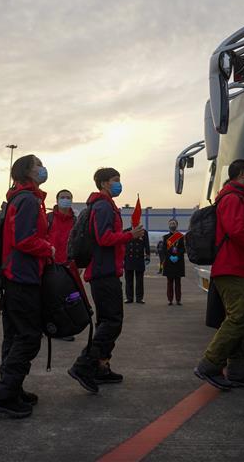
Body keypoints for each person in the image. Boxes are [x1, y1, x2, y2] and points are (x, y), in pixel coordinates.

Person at [0, 154, 54, 419]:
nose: (43, 168)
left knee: (14, 336)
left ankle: (12, 388)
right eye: (39, 165)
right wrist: (48, 248)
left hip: (14, 276)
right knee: (28, 337)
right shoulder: (27, 200)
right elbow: (24, 239)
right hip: (23, 277)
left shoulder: (19, 198)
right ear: (27, 171)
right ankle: (4, 395)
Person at [68, 168, 145, 393]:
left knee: (107, 322)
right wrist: (130, 235)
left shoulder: (104, 205)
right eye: (115, 180)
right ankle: (83, 365)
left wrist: (128, 233)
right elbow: (103, 238)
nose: (118, 184)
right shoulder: (102, 206)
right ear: (103, 183)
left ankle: (101, 367)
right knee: (112, 322)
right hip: (104, 272)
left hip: (104, 270)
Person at [194, 159, 244, 391]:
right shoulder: (233, 198)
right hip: (232, 267)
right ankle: (209, 364)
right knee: (238, 318)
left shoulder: (239, 198)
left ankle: (237, 369)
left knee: (240, 319)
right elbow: (237, 231)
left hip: (237, 266)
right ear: (242, 174)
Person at [47, 188, 80, 340]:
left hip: (68, 266)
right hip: (49, 264)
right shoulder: (48, 218)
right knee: (47, 297)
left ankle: (64, 329)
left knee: (68, 298)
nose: (65, 199)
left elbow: (80, 242)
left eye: (68, 197)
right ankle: (44, 327)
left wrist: (79, 264)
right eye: (62, 197)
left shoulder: (76, 221)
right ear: (57, 200)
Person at [123, 222, 150, 304]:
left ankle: (139, 298)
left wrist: (148, 256)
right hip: (128, 258)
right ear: (131, 221)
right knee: (128, 280)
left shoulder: (143, 232)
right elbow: (122, 245)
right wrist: (121, 257)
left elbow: (147, 244)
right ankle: (129, 298)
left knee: (139, 280)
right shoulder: (126, 231)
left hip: (139, 258)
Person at [161, 218, 186, 306]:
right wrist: (170, 256)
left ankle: (178, 300)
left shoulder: (181, 236)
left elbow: (183, 249)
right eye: (171, 223)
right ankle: (170, 300)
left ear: (177, 225)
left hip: (178, 262)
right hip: (169, 262)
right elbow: (164, 249)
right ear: (169, 225)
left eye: (174, 223)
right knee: (170, 282)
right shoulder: (165, 237)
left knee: (178, 282)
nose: (172, 225)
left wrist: (177, 256)